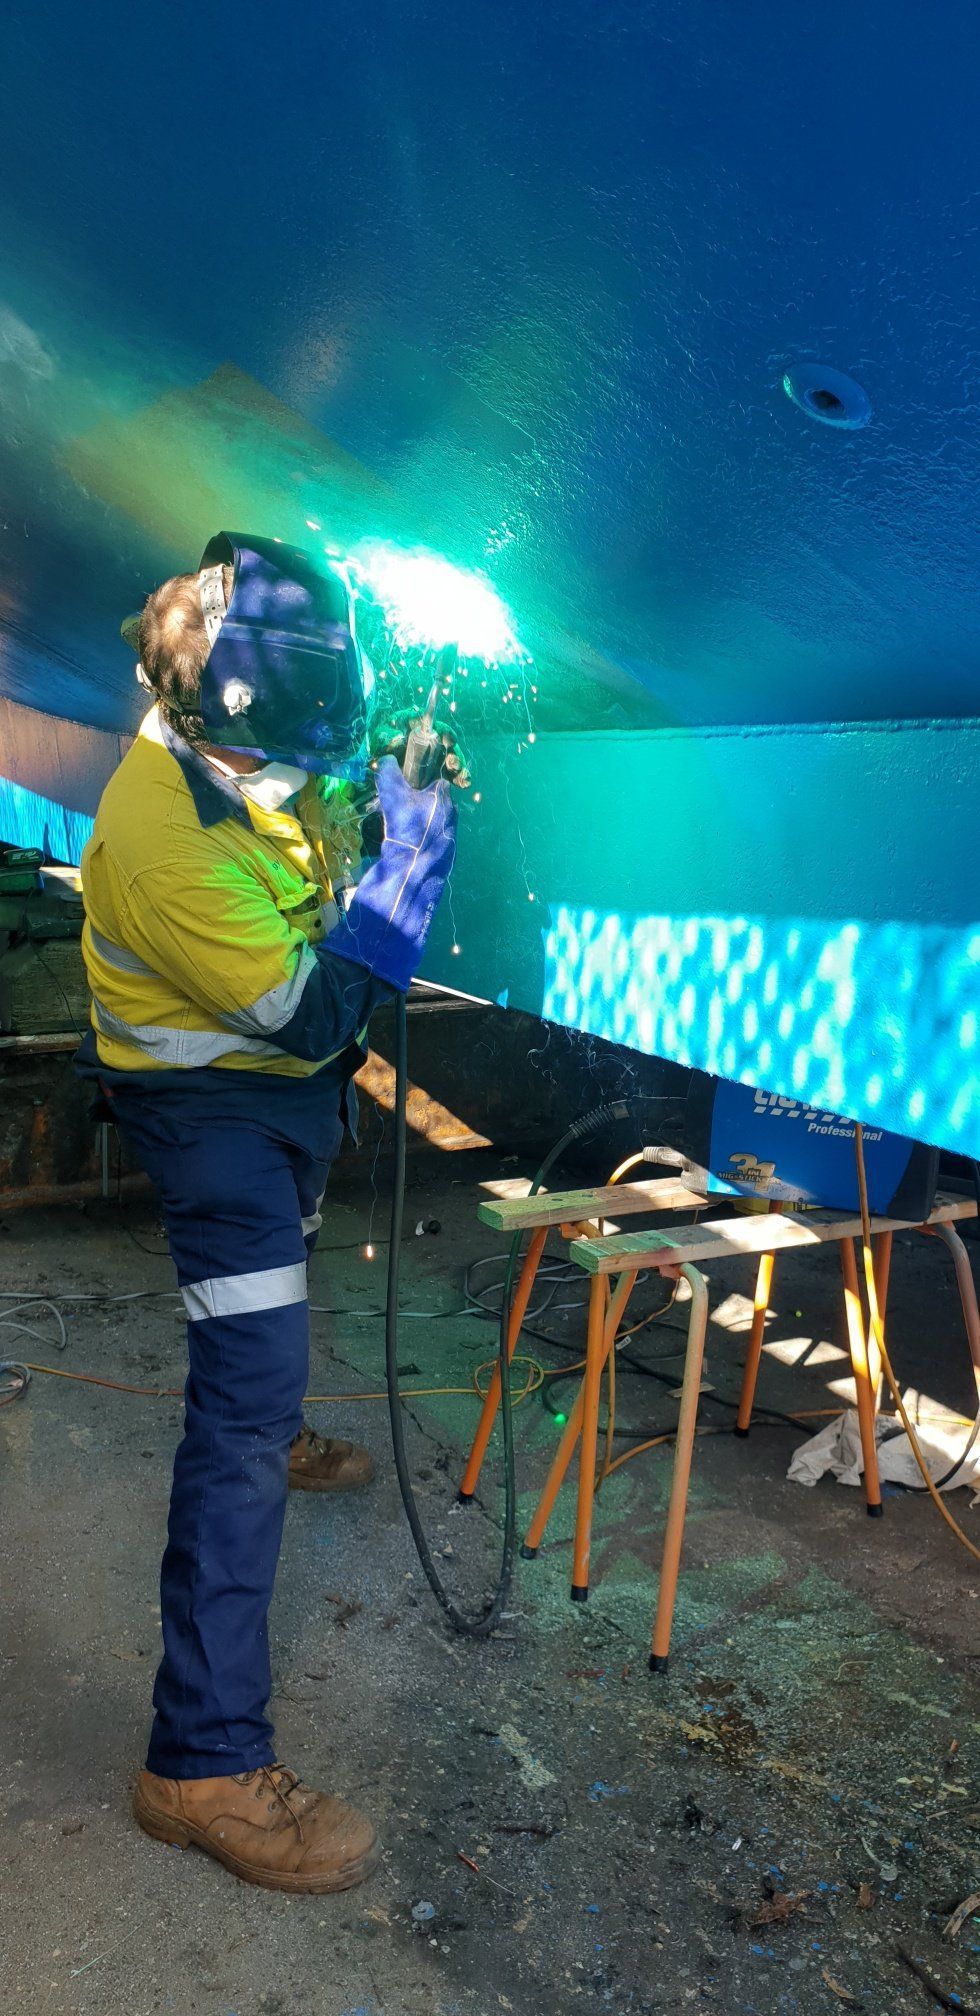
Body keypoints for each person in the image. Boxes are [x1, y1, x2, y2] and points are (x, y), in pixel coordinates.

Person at [77, 532, 456, 1893]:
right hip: (215, 1112)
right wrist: (406, 874)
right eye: (298, 759)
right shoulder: (160, 837)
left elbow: (297, 816)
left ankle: (279, 1417)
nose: (316, 781)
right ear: (223, 726)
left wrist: (368, 800)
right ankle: (202, 1763)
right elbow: (311, 1022)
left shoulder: (219, 712)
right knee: (237, 1413)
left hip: (269, 1098)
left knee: (278, 1319)